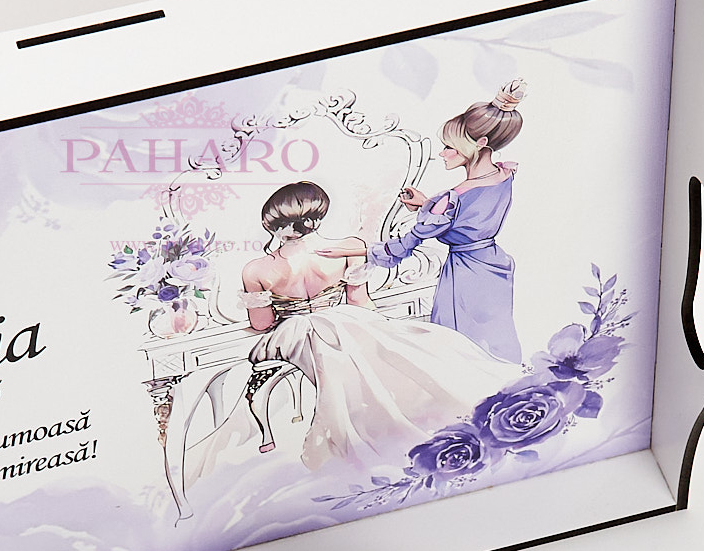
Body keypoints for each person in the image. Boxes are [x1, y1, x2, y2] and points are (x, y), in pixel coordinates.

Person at [197, 180, 512, 473]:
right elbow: (359, 300)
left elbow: (262, 323)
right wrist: (377, 326)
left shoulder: (256, 269)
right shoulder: (348, 248)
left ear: (271, 223)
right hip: (344, 319)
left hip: (294, 332)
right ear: (318, 216)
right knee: (383, 350)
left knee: (339, 359)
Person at [318, 80, 527, 362]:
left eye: (449, 147)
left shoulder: (453, 197)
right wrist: (427, 205)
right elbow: (469, 218)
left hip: (464, 277)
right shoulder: (503, 175)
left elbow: (404, 246)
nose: (442, 153)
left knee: (462, 350)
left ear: (480, 144)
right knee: (495, 340)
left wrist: (354, 251)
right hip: (494, 267)